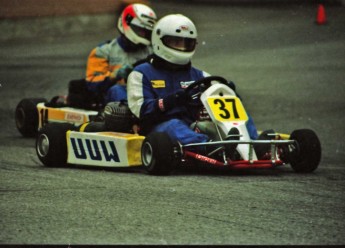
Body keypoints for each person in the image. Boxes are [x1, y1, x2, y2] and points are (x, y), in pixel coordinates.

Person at [127, 14, 259, 146]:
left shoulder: (201, 75)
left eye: (186, 43)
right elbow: (140, 110)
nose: (182, 47)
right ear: (159, 40)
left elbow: (221, 104)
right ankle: (211, 148)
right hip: (159, 129)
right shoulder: (141, 73)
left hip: (194, 125)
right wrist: (168, 101)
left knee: (240, 113)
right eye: (176, 42)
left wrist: (229, 94)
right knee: (174, 125)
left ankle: (255, 143)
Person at [85, 3, 157, 105]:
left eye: (145, 32)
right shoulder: (103, 51)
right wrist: (115, 75)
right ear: (127, 23)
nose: (143, 35)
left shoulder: (151, 52)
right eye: (140, 31)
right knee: (117, 89)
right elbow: (91, 84)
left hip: (144, 95)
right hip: (113, 103)